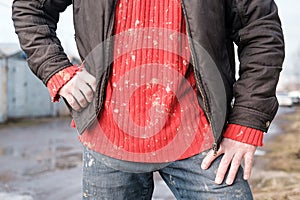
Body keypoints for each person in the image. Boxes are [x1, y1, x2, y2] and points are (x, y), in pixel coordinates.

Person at [12, 0, 284, 199]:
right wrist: (57, 70)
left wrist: (247, 122)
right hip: (108, 139)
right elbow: (30, 8)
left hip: (202, 139)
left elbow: (261, 32)